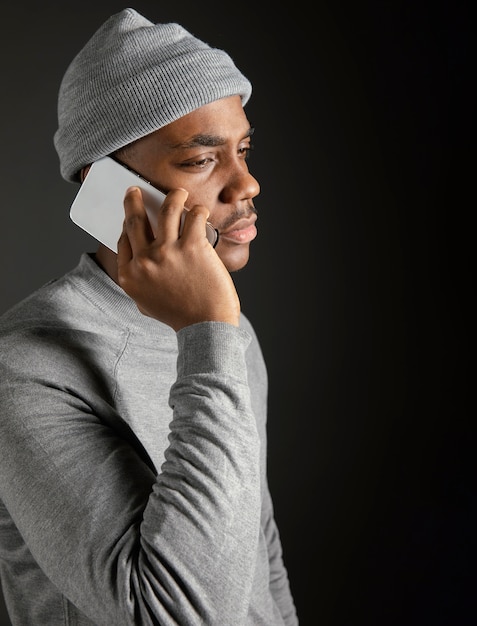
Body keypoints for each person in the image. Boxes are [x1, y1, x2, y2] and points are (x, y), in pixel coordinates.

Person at [0, 8, 298, 625]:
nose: (248, 185)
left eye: (243, 150)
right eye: (201, 160)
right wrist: (206, 332)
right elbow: (178, 612)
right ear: (105, 187)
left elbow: (257, 550)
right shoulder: (23, 368)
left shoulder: (228, 334)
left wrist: (212, 334)